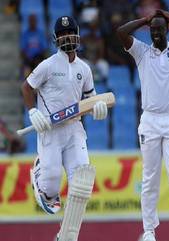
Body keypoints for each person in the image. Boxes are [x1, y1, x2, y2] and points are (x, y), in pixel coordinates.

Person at [21, 16, 108, 241]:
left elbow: (91, 98)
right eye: (62, 35)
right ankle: (39, 171)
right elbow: (27, 87)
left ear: (77, 36)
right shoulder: (48, 65)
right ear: (55, 39)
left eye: (70, 33)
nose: (66, 37)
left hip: (74, 128)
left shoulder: (84, 68)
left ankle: (66, 235)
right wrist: (33, 111)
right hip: (50, 129)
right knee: (50, 190)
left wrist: (97, 108)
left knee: (82, 181)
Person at [117, 9, 169, 241]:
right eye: (152, 29)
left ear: (167, 30)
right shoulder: (142, 52)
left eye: (159, 29)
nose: (155, 33)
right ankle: (149, 231)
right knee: (150, 177)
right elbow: (121, 32)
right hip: (150, 120)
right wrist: (145, 20)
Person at [20, 14, 48, 79]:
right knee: (26, 69)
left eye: (34, 21)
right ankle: (26, 85)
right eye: (31, 21)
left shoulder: (40, 33)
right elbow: (22, 50)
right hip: (28, 59)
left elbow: (44, 49)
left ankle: (39, 85)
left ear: (36, 22)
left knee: (39, 64)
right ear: (28, 22)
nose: (32, 22)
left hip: (38, 58)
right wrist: (27, 58)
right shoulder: (25, 34)